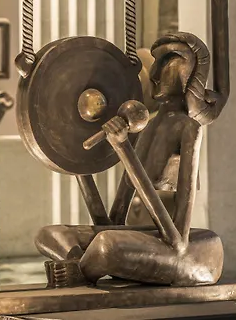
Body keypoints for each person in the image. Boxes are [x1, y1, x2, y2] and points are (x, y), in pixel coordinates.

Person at [36, 32, 224, 287]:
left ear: (189, 73)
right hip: (154, 243)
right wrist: (77, 162)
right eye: (156, 62)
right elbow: (113, 222)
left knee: (105, 245)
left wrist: (123, 147)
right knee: (51, 234)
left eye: (167, 61)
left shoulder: (189, 128)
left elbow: (178, 240)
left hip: (187, 256)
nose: (154, 72)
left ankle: (81, 270)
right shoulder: (150, 125)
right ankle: (82, 267)